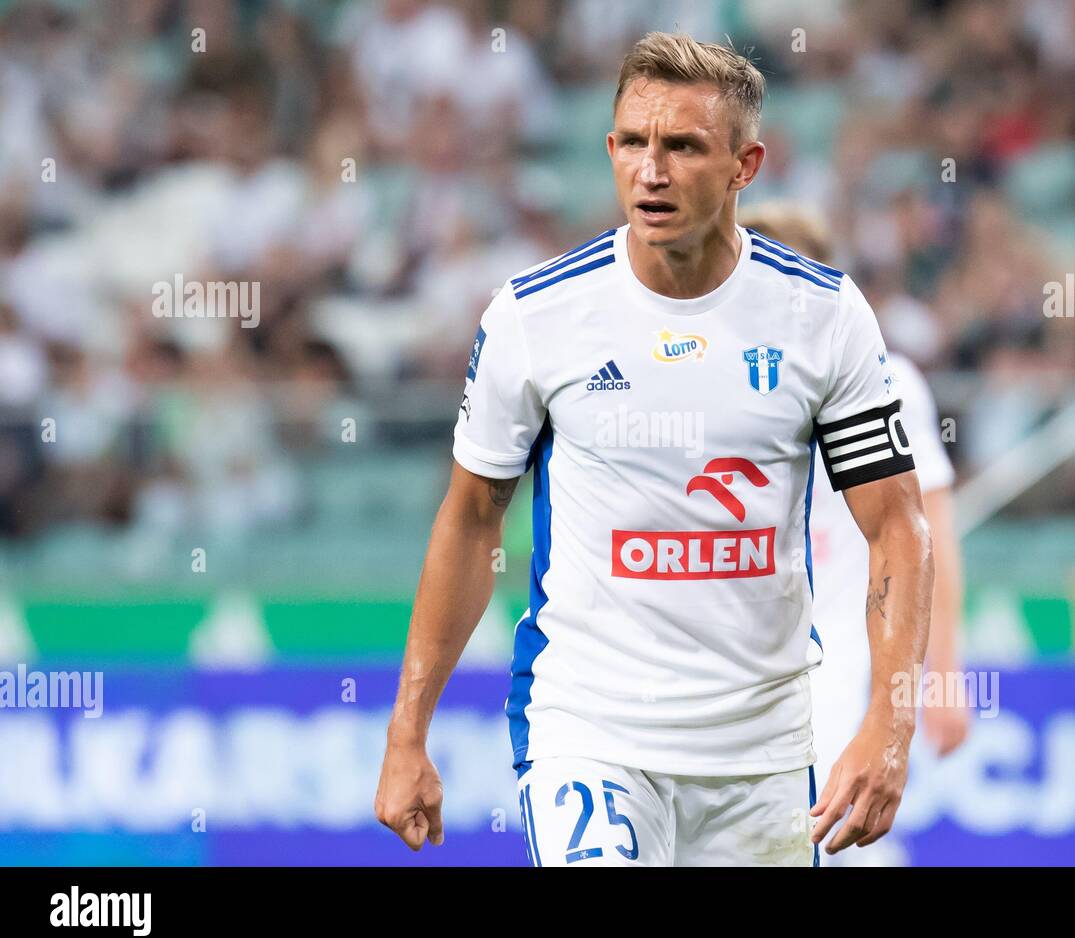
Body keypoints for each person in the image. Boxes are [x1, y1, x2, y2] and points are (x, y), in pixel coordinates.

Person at [375, 32, 933, 866]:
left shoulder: (822, 316)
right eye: (633, 143)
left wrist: (890, 727)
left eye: (682, 146)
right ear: (608, 149)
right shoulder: (537, 317)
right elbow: (467, 524)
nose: (652, 169)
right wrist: (407, 733)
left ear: (746, 166)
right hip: (589, 728)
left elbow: (897, 526)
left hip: (764, 749)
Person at [739, 202, 968, 866]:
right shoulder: (719, 383)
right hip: (738, 661)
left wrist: (942, 676)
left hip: (842, 657)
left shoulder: (885, 379)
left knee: (825, 838)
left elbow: (931, 538)